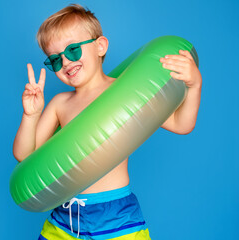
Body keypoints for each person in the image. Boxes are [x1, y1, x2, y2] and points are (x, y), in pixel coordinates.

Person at [13, 4, 202, 240]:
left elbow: (181, 125)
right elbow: (25, 156)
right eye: (56, 60)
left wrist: (194, 86)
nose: (66, 62)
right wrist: (31, 115)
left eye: (72, 50)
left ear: (100, 46)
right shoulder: (60, 104)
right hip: (65, 217)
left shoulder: (125, 93)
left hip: (117, 216)